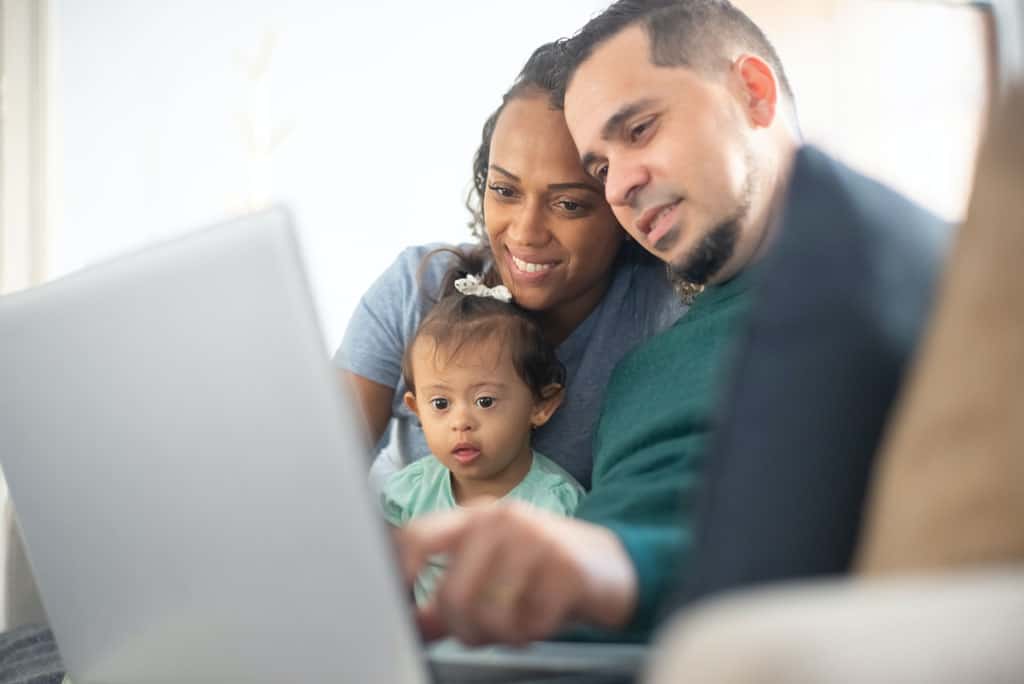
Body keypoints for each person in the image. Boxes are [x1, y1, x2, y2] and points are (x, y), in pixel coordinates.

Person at [399, 0, 941, 647]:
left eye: (640, 129)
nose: (619, 185)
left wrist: (615, 566)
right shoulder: (646, 366)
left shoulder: (892, 264)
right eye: (599, 168)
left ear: (753, 92)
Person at [335, 42, 686, 493]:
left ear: (623, 205)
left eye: (568, 204)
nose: (525, 232)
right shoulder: (414, 289)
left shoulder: (663, 318)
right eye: (504, 190)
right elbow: (316, 474)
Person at [380, 248, 585, 604]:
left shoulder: (556, 503)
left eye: (485, 401)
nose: (461, 422)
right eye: (440, 404)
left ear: (541, 404)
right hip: (432, 656)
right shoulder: (407, 494)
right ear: (416, 409)